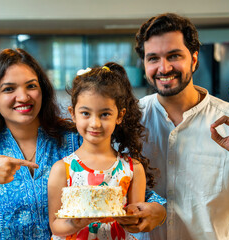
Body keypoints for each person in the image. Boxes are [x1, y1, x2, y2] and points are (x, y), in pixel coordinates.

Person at [0, 49, 166, 239]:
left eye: (31, 86)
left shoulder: (76, 138)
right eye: (9, 89)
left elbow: (126, 191)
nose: (23, 97)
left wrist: (158, 209)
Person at [126, 13, 229, 239]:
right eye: (153, 59)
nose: (164, 67)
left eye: (174, 55)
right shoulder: (129, 121)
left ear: (194, 59)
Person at [48, 63, 163, 239]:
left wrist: (132, 218)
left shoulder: (133, 169)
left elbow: (135, 224)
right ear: (73, 114)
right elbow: (56, 226)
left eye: (104, 114)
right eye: (86, 113)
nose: (95, 123)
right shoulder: (61, 169)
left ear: (120, 115)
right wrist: (74, 223)